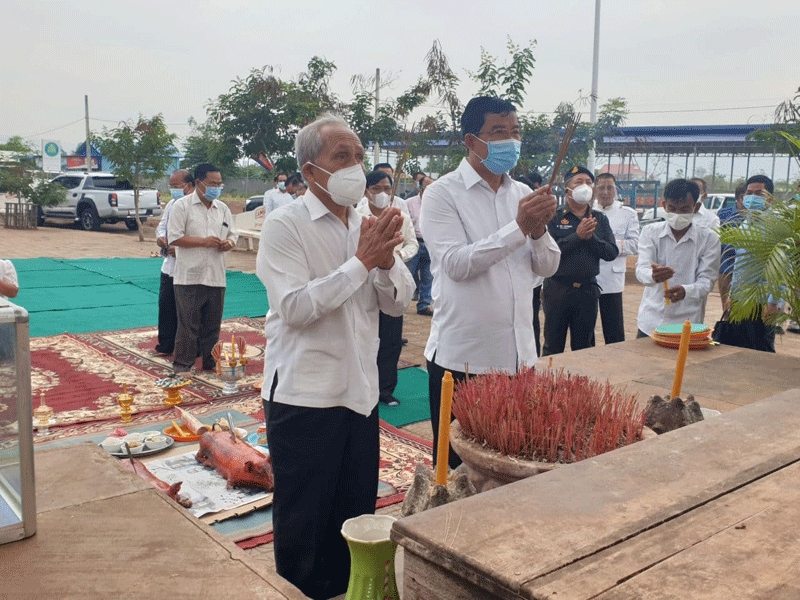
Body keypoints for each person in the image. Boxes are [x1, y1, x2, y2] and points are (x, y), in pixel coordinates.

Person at [257, 114, 414, 599]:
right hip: (306, 395)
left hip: (359, 392)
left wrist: (383, 263)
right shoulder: (285, 225)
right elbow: (295, 307)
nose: (355, 168)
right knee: (305, 523)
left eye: (359, 157)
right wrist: (361, 262)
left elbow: (398, 301)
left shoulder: (365, 223)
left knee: (353, 515)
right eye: (341, 157)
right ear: (310, 171)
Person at [422, 96, 560, 468]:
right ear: (471, 141)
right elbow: (456, 264)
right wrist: (519, 228)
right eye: (498, 132)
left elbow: (548, 266)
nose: (510, 141)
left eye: (515, 132)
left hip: (519, 357)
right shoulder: (442, 194)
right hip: (465, 361)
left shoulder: (522, 194)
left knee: (513, 462)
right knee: (459, 471)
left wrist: (537, 230)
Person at [168, 163, 238, 373]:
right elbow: (175, 237)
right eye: (212, 183)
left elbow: (233, 234)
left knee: (212, 324)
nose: (217, 188)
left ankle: (210, 362)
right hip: (190, 275)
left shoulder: (222, 208)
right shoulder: (182, 206)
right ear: (199, 183)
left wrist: (229, 243)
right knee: (188, 325)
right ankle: (183, 365)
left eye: (219, 184)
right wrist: (204, 242)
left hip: (216, 275)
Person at [541, 166, 618, 356]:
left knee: (584, 347)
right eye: (579, 182)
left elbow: (611, 252)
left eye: (589, 183)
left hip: (587, 291)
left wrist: (591, 238)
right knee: (553, 345)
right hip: (557, 289)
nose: (585, 186)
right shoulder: (554, 217)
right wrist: (577, 236)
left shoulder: (599, 219)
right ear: (567, 190)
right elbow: (547, 251)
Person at [357, 170, 418, 406]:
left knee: (391, 338)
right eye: (376, 189)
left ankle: (385, 389)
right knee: (365, 335)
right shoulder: (357, 217)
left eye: (386, 189)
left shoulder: (400, 217)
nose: (382, 193)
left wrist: (398, 256)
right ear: (366, 192)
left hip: (392, 279)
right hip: (365, 282)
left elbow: (412, 244)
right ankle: (363, 384)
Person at [635, 179, 720, 338]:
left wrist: (686, 291)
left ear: (696, 207)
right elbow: (641, 269)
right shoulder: (650, 232)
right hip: (651, 321)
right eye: (672, 209)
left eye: (684, 209)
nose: (678, 215)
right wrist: (653, 275)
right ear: (664, 205)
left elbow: (707, 280)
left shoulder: (709, 238)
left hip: (688, 322)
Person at [725, 174, 781, 352]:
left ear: (770, 199)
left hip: (761, 302)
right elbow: (739, 264)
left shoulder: (775, 227)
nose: (752, 197)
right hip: (741, 300)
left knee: (760, 352)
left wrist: (773, 303)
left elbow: (780, 268)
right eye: (749, 193)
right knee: (736, 350)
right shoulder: (746, 223)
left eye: (759, 194)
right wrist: (732, 295)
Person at [594, 172, 639, 344]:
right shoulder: (587, 211)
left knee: (614, 330)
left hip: (612, 279)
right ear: (595, 190)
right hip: (589, 276)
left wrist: (608, 246)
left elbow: (634, 244)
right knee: (586, 328)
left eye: (609, 188)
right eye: (601, 188)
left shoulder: (627, 214)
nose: (605, 192)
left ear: (615, 190)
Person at [154, 169, 194, 356]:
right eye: (171, 186)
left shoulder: (195, 207)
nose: (173, 190)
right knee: (166, 306)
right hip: (169, 266)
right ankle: (166, 345)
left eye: (176, 186)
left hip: (187, 266)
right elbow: (162, 225)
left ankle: (188, 347)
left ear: (189, 186)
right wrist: (161, 238)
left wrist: (180, 250)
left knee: (186, 310)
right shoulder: (171, 203)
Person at [517, 172, 544, 354]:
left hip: (533, 284)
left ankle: (532, 357)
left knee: (531, 324)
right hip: (507, 285)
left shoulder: (538, 215)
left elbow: (546, 256)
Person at [406, 176, 435, 315]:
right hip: (414, 242)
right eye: (427, 185)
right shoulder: (409, 203)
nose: (430, 188)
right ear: (420, 187)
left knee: (428, 276)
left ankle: (424, 305)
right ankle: (400, 303)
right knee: (407, 275)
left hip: (430, 244)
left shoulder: (438, 203)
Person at [716, 182, 747, 311]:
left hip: (747, 270)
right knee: (728, 308)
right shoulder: (724, 214)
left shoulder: (756, 216)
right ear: (741, 197)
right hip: (727, 268)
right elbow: (718, 238)